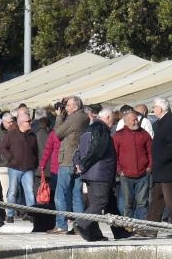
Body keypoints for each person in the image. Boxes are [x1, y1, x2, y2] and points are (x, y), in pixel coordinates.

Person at [74, 106, 117, 241]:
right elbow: (98, 150)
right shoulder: (102, 129)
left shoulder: (88, 129)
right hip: (100, 173)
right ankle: (81, 222)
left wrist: (79, 164)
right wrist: (84, 165)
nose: (113, 124)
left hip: (89, 174)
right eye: (113, 120)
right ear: (108, 118)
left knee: (94, 204)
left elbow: (78, 150)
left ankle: (93, 234)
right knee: (100, 202)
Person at [54, 96, 89, 234]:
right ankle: (79, 226)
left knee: (60, 194)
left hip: (68, 160)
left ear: (75, 107)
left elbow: (58, 133)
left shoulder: (73, 118)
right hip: (79, 161)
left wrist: (58, 117)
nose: (66, 108)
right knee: (77, 195)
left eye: (68, 105)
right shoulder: (84, 117)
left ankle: (61, 225)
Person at [148, 98, 172, 228]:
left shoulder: (169, 121)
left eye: (154, 107)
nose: (153, 110)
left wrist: (160, 159)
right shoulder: (162, 122)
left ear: (160, 108)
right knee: (156, 201)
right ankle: (150, 228)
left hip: (168, 169)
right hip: (161, 170)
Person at [113, 107, 152, 222]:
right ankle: (128, 226)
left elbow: (151, 152)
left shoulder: (144, 134)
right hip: (126, 175)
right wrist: (119, 170)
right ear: (126, 122)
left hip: (143, 174)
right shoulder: (118, 136)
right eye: (133, 120)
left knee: (142, 202)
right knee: (127, 203)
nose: (136, 122)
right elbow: (114, 155)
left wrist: (149, 167)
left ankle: (141, 226)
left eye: (137, 119)